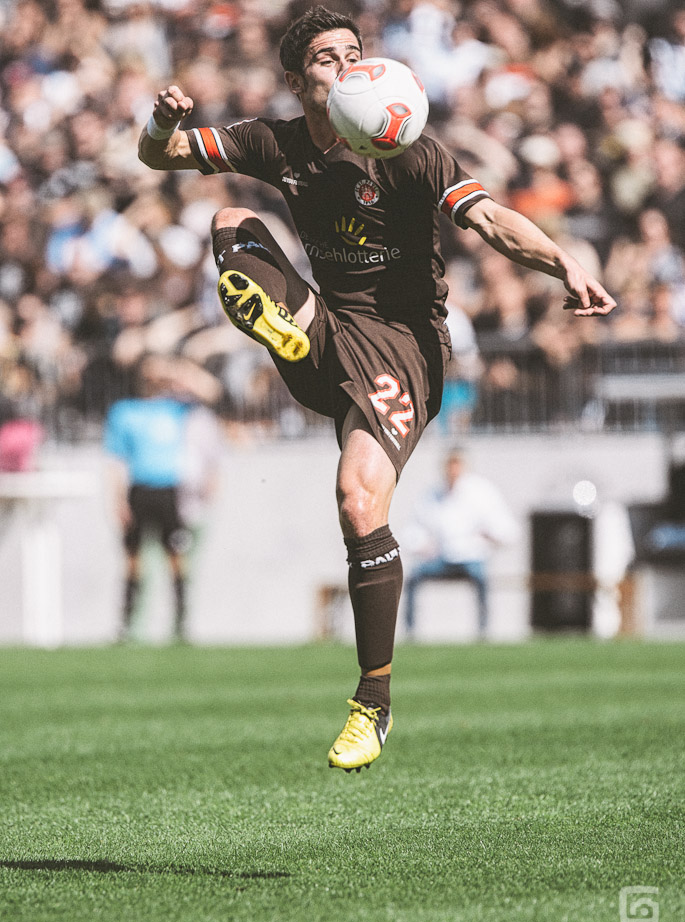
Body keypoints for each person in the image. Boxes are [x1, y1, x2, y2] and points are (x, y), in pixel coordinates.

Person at [138, 5, 616, 772]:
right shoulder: (275, 141)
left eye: (353, 52)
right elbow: (157, 156)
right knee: (231, 217)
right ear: (297, 80)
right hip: (329, 330)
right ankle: (287, 331)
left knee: (358, 500)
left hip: (402, 347)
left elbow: (490, 220)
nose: (346, 65)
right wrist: (162, 122)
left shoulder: (410, 151)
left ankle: (372, 703)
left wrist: (563, 262)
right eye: (327, 57)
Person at [104, 355, 199, 643]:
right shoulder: (124, 411)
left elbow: (213, 392)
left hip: (169, 492)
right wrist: (118, 500)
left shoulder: (176, 408)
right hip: (139, 491)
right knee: (133, 560)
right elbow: (116, 460)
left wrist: (174, 370)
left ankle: (181, 625)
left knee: (177, 558)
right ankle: (125, 625)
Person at [403, 447, 518, 639]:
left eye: (456, 464)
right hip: (440, 557)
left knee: (480, 577)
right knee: (413, 577)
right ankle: (410, 631)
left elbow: (506, 529)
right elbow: (413, 530)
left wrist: (491, 536)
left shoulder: (482, 492)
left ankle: (483, 631)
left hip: (471, 557)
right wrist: (422, 545)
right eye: (450, 465)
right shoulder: (431, 495)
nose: (453, 470)